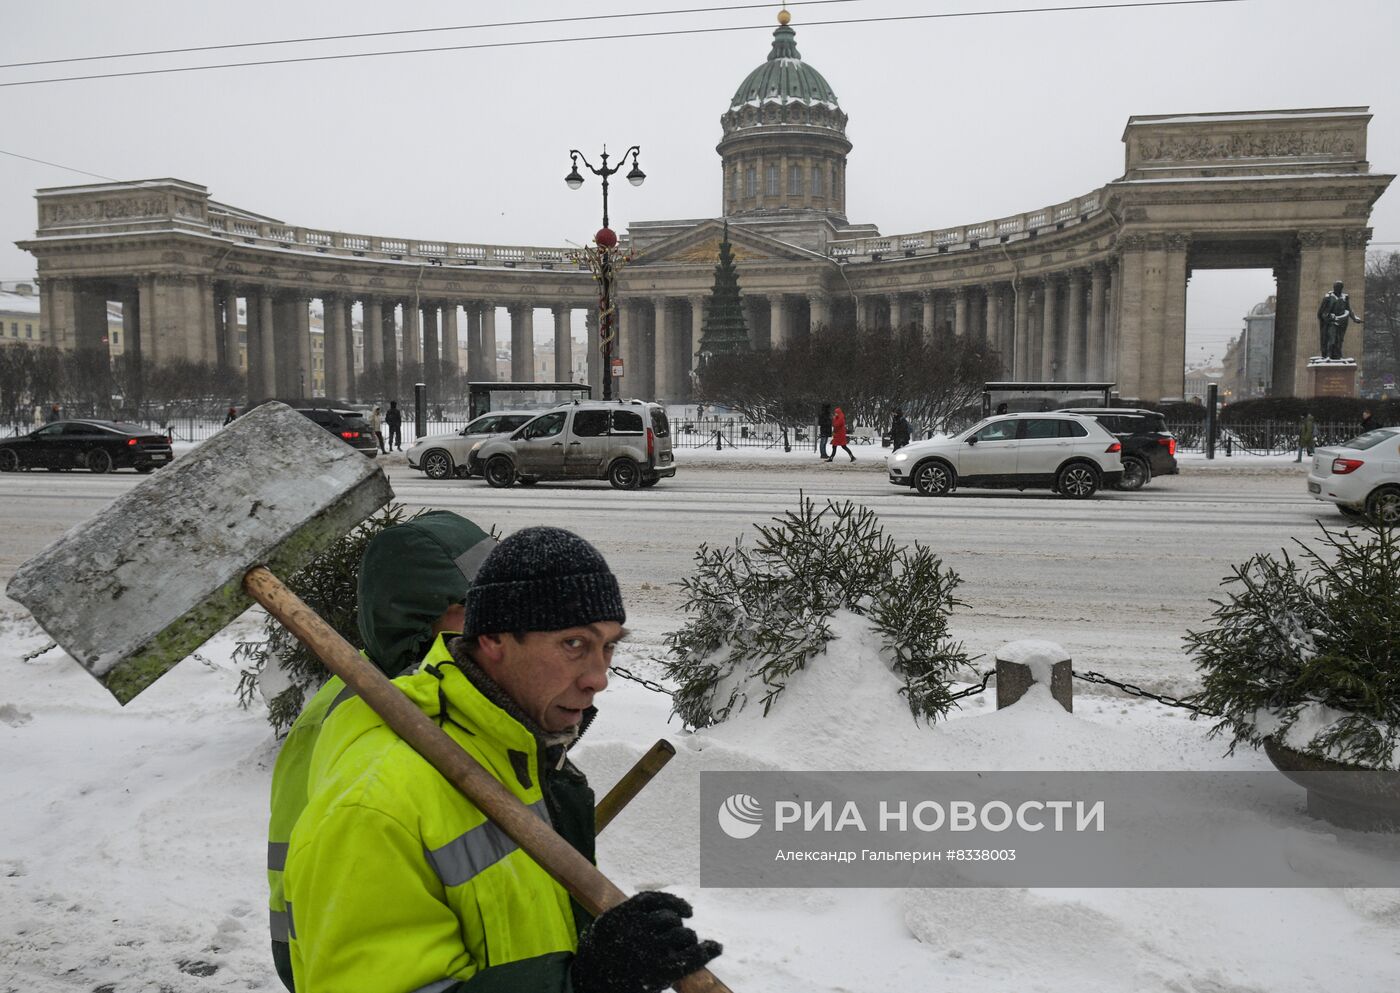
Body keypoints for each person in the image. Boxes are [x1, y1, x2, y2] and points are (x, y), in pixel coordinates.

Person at [283, 527, 722, 993]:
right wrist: (584, 984)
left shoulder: (518, 751)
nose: (599, 678)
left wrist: (600, 949)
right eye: (574, 643)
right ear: (492, 638)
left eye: (609, 645)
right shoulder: (373, 807)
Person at [267, 511, 495, 991]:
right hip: (334, 948)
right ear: (418, 618)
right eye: (476, 608)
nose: (501, 624)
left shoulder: (457, 693)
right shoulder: (340, 726)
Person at [1317, 280, 1363, 361]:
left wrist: (1355, 318)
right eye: (1336, 287)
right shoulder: (1328, 297)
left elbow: (1348, 309)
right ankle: (1328, 355)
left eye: (1339, 288)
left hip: (1342, 322)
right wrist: (1328, 316)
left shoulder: (1345, 297)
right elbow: (1322, 311)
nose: (1337, 289)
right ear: (1334, 288)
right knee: (1331, 338)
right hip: (1331, 321)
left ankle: (1337, 355)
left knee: (1339, 339)